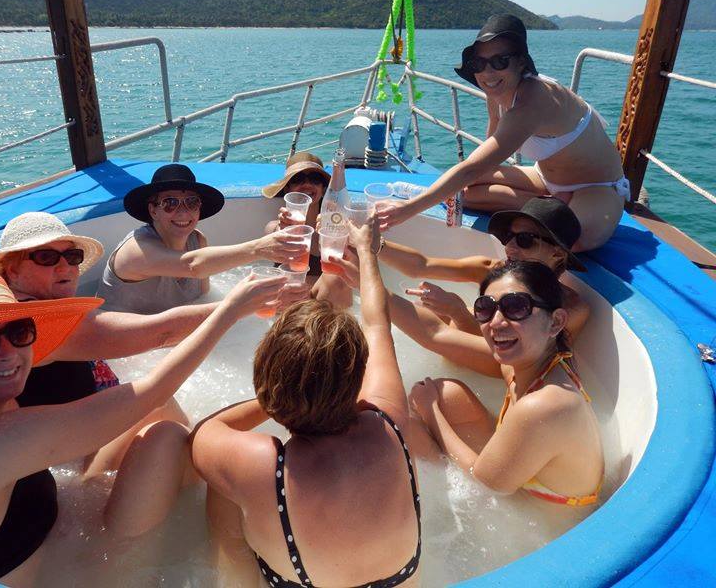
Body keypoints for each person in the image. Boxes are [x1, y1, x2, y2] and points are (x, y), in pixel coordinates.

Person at [0, 269, 285, 585]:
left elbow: (147, 390)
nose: (8, 352)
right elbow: (149, 387)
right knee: (169, 438)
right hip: (76, 574)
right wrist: (230, 311)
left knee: (157, 414)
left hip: (63, 530)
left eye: (18, 330)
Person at [191, 215, 421, 587]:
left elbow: (203, 433)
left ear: (267, 379)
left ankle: (236, 578)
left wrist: (278, 395)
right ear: (356, 377)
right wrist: (365, 250)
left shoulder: (263, 467)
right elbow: (378, 323)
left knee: (224, 485)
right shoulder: (389, 422)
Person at [0, 211, 215, 478]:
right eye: (45, 257)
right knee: (162, 411)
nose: (65, 268)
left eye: (72, 257)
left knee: (167, 427)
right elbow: (162, 333)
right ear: (13, 270)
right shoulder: (27, 323)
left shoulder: (23, 308)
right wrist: (237, 307)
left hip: (78, 445)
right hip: (74, 462)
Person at [377, 14, 628, 251]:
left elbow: (471, 168)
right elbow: (486, 152)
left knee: (566, 241)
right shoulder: (496, 93)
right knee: (464, 194)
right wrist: (471, 178)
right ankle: (551, 204)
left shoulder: (533, 101)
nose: (488, 73)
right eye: (479, 63)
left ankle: (556, 210)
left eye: (500, 61)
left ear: (520, 62)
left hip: (595, 187)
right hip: (545, 178)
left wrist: (405, 210)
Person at [409, 260, 604, 506]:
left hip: (541, 522)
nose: (496, 322)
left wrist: (431, 412)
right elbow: (438, 336)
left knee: (406, 426)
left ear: (555, 322)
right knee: (447, 393)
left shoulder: (545, 406)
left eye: (516, 307)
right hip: (519, 480)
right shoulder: (547, 362)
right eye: (485, 309)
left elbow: (481, 484)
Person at [330, 197, 590, 377]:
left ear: (557, 253)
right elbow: (422, 264)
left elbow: (503, 364)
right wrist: (371, 244)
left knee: (450, 316)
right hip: (486, 358)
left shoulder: (570, 309)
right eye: (508, 237)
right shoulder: (496, 270)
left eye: (524, 240)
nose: (509, 247)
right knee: (445, 309)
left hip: (502, 374)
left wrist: (458, 313)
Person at [98, 163, 307, 314]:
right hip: (124, 356)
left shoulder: (197, 242)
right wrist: (259, 248)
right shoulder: (135, 250)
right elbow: (192, 266)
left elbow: (204, 299)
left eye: (191, 202)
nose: (183, 212)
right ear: (153, 210)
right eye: (170, 203)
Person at [262, 152, 353, 307]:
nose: (307, 184)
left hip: (324, 309)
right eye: (298, 179)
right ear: (287, 190)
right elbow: (274, 235)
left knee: (336, 278)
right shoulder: (276, 228)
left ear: (324, 189)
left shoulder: (337, 230)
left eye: (315, 180)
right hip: (290, 308)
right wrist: (284, 229)